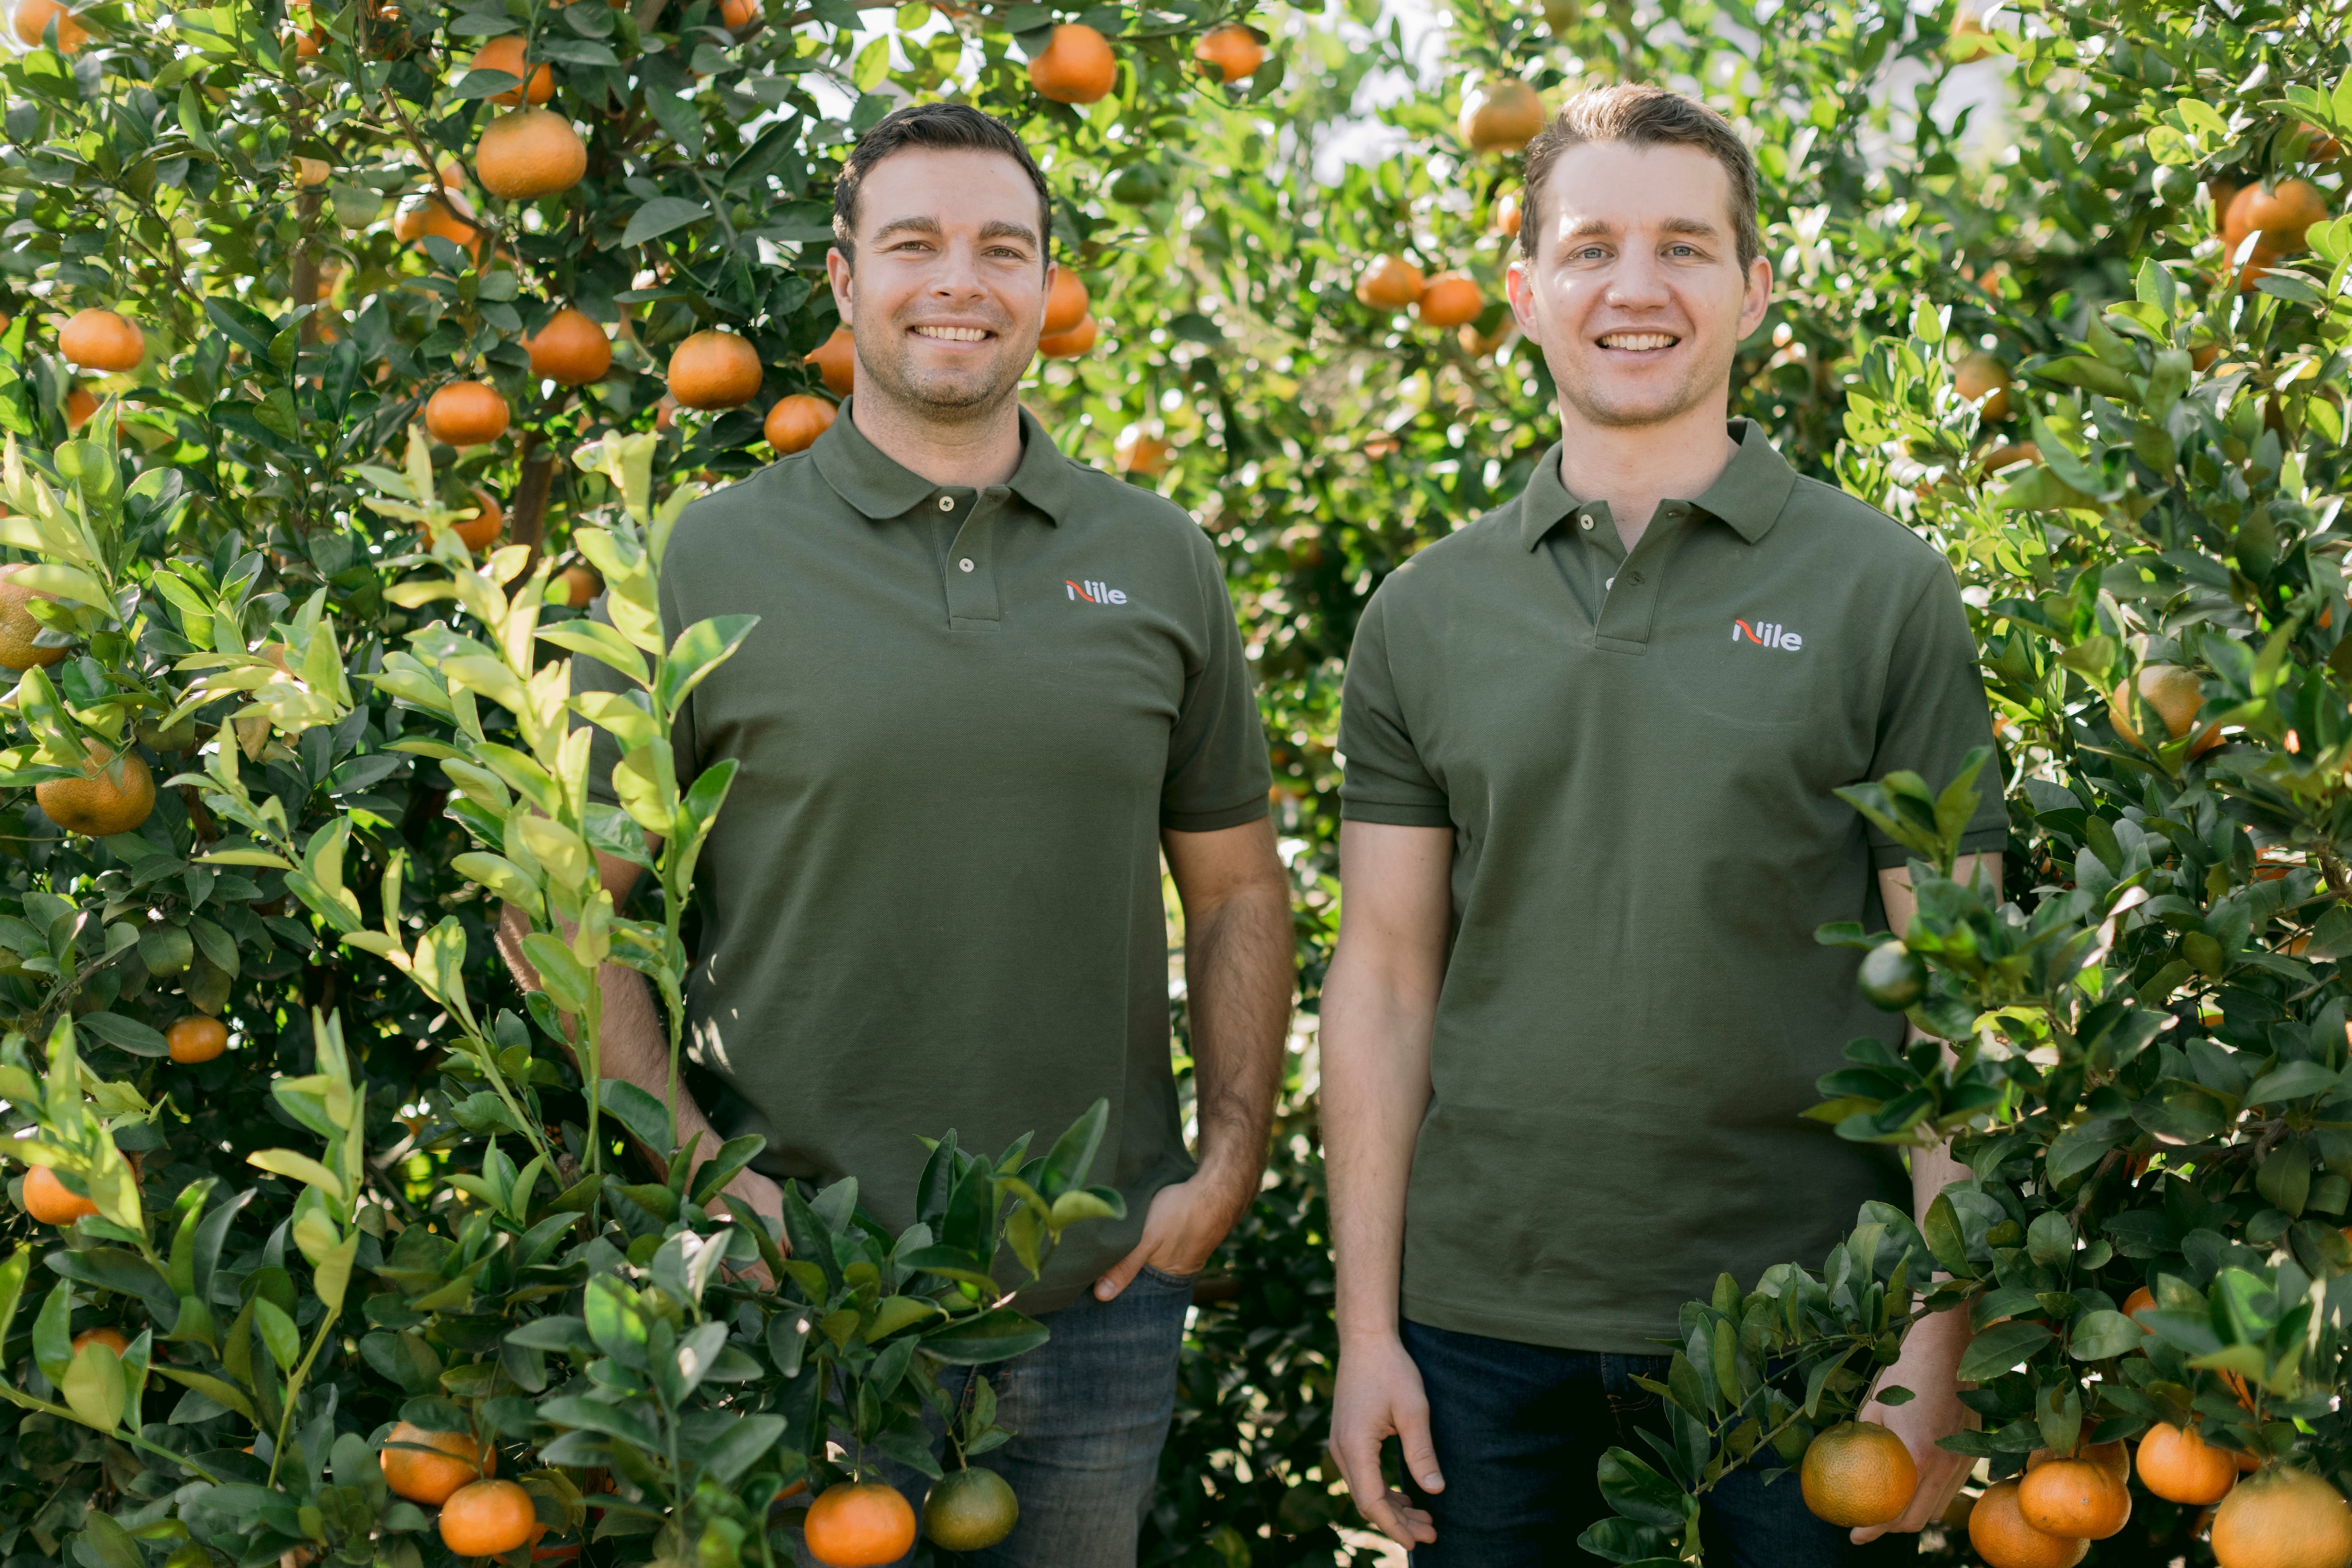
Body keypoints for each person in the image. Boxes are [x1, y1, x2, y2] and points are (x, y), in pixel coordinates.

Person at [507, 102, 1293, 1568]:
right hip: (796, 1304)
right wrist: (697, 1170)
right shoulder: (698, 557)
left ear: (1048, 286)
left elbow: (1242, 888)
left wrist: (1231, 1155)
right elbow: (561, 909)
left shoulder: (1158, 556)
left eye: (1004, 248)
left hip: (1097, 1297)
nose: (960, 281)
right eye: (915, 242)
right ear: (844, 281)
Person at [1320, 84, 2003, 1566]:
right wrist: (1364, 1328)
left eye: (1686, 248)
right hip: (1481, 1330)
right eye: (1590, 249)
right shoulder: (1424, 616)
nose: (1636, 289)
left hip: (1815, 1319)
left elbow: (1962, 993)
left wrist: (1939, 1347)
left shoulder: (1882, 593)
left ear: (1756, 289)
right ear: (1524, 294)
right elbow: (1379, 981)